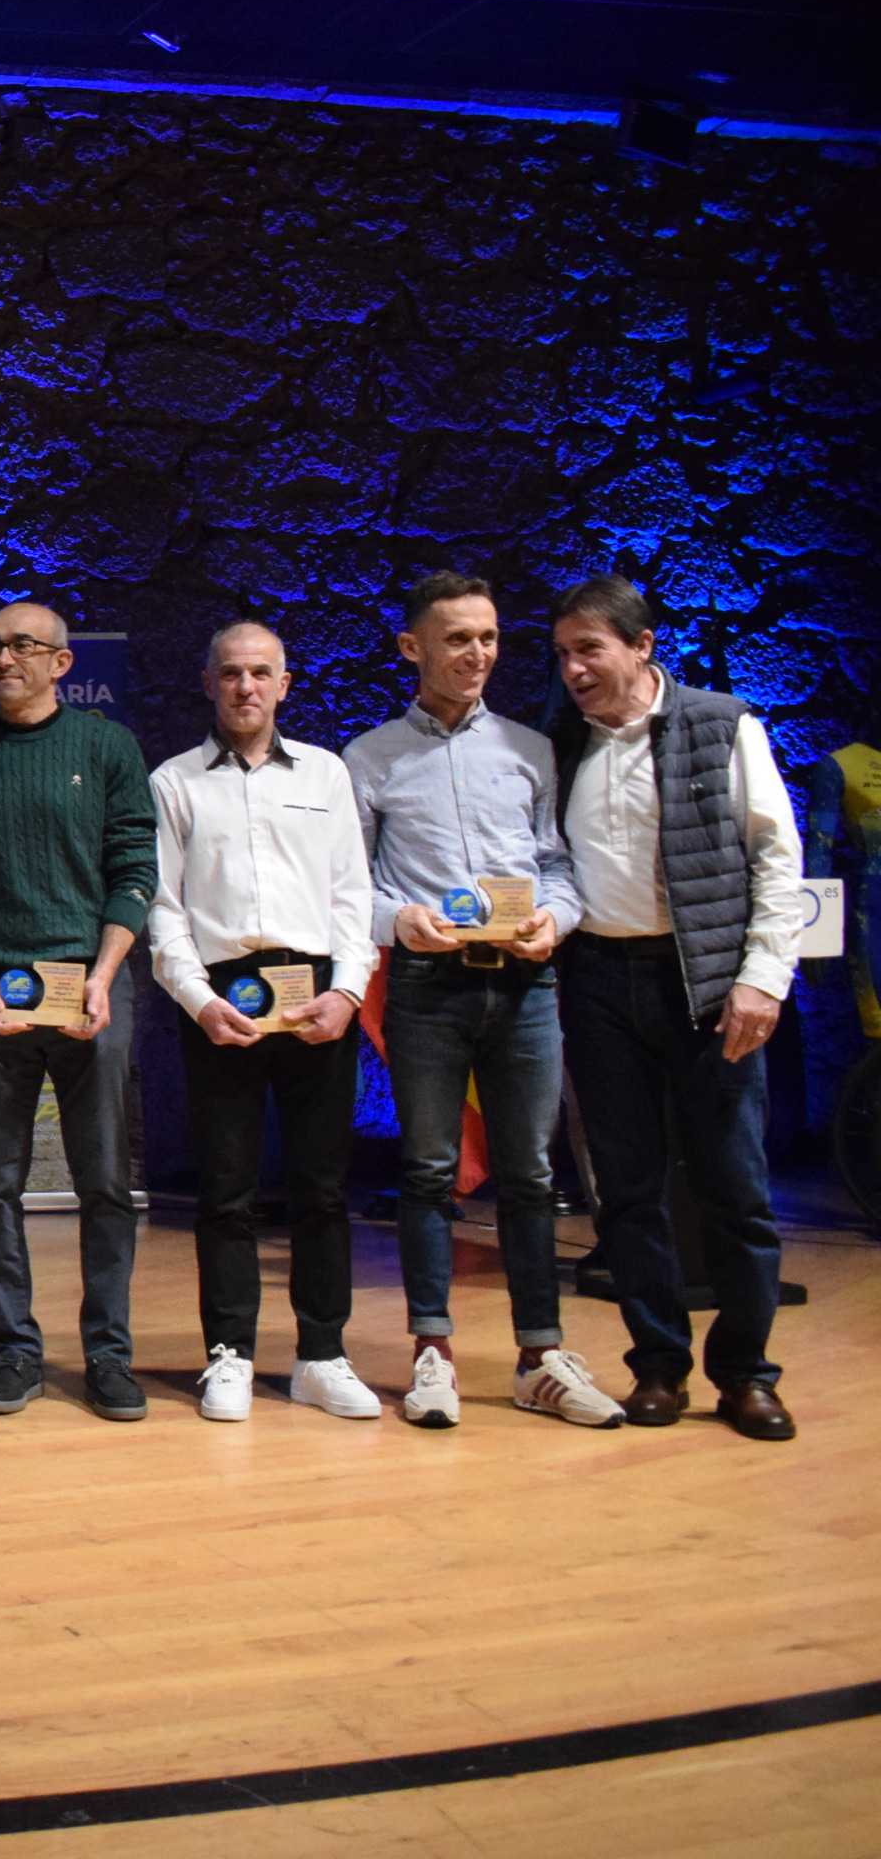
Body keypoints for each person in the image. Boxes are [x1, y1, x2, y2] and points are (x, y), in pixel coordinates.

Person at [344, 572, 619, 1431]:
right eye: (458, 638)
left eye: (490, 638)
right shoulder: (370, 758)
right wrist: (402, 921)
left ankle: (541, 1355)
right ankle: (434, 1353)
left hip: (527, 981)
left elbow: (560, 867)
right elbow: (350, 890)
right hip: (428, 987)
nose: (477, 654)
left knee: (533, 1176)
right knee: (428, 1173)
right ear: (411, 648)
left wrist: (556, 920)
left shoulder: (531, 750)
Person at [547, 576, 802, 1441]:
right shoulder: (559, 743)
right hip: (601, 985)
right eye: (564, 653)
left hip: (705, 986)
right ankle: (658, 1368)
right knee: (626, 1193)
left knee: (735, 1187)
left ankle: (748, 1374)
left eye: (591, 648)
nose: (575, 667)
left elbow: (775, 857)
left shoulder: (723, 726)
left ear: (641, 645)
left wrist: (762, 978)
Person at [0, 601, 156, 1421]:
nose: (3, 657)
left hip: (91, 990)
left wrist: (103, 974)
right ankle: (16, 1350)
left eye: (23, 645)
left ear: (61, 663)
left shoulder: (108, 747)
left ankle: (109, 1356)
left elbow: (134, 868)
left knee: (104, 1183)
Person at [146, 623, 382, 1423]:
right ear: (208, 683)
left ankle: (322, 1352)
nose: (247, 687)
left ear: (286, 684)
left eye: (262, 674)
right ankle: (230, 1355)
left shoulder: (327, 772)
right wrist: (198, 1000)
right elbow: (163, 909)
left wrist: (348, 992)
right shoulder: (174, 782)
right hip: (221, 997)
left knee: (321, 1188)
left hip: (316, 992)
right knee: (227, 1190)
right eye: (232, 674)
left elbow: (354, 894)